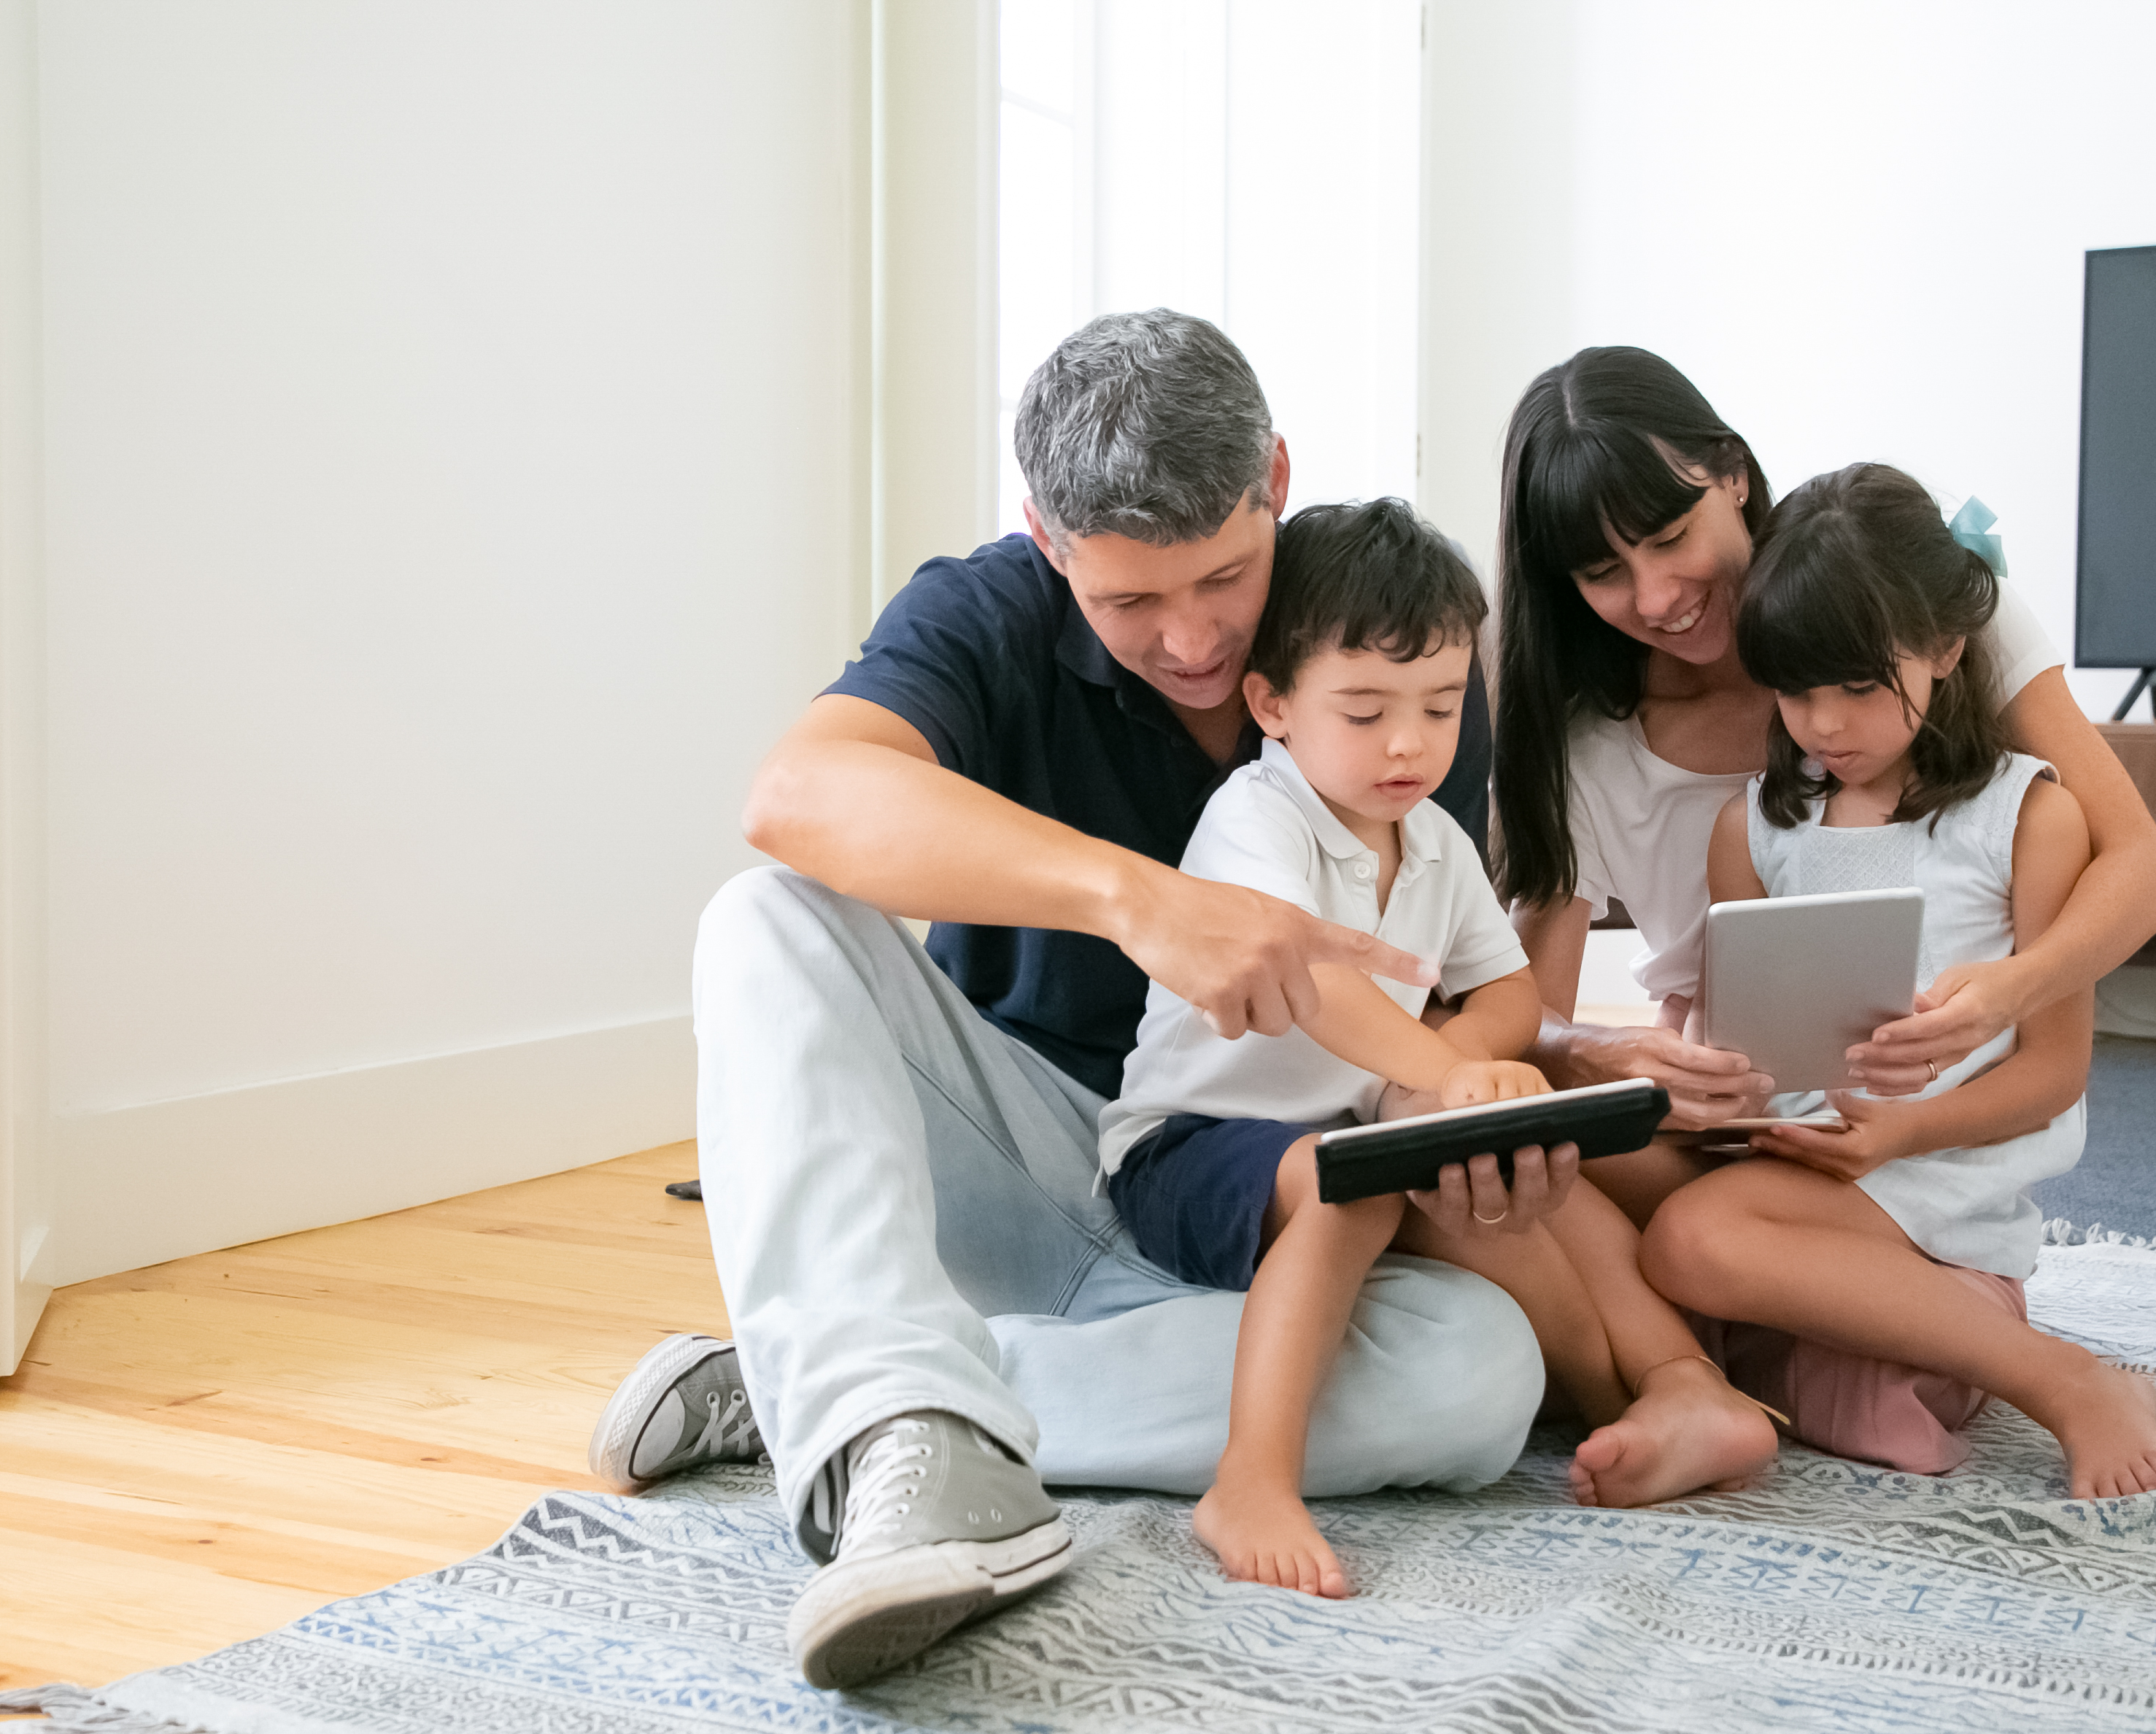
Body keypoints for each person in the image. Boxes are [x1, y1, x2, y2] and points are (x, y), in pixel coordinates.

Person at [589, 312, 1577, 1689]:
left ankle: (833, 1394)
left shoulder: (1392, 664)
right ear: (1050, 545)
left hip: (1259, 1204)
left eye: (1226, 579)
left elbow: (1445, 977)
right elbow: (796, 794)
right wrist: (1139, 899)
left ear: (1275, 479)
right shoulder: (985, 612)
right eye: (1127, 603)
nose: (1189, 640)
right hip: (1025, 1149)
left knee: (1481, 1380)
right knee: (763, 918)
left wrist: (1478, 1087)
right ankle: (893, 1418)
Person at [1489, 347, 2156, 1481]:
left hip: (1902, 1122)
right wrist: (1617, 1056)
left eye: (1669, 538)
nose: (1657, 596)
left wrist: (1999, 995)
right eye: (1604, 572)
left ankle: (1831, 1349)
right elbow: (1524, 1020)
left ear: (1732, 477)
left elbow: (2142, 872)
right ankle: (1727, 1381)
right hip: (1735, 1106)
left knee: (1681, 1261)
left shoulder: (1900, 607)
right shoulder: (1590, 746)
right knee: (1524, 1156)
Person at [1100, 501, 1782, 1598]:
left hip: (1353, 1124)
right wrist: (1440, 1073)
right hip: (1194, 1142)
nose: (1410, 743)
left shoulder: (1435, 840)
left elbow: (1508, 986)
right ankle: (1252, 1478)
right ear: (1272, 704)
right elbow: (1311, 986)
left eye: (1442, 705)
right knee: (1356, 1187)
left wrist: (1465, 1070)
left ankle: (1677, 1384)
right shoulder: (1256, 817)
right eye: (1365, 712)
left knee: (1530, 1182)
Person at [1628, 463, 2156, 1497]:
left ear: (1948, 649)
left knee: (1695, 1240)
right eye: (1796, 692)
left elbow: (2054, 1075)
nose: (1825, 726)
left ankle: (2063, 1380)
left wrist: (1900, 1132)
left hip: (1934, 1175)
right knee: (1595, 1173)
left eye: (1860, 686)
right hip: (1799, 1158)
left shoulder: (2028, 819)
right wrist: (1705, 1084)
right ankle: (1848, 1353)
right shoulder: (1756, 827)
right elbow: (1730, 1034)